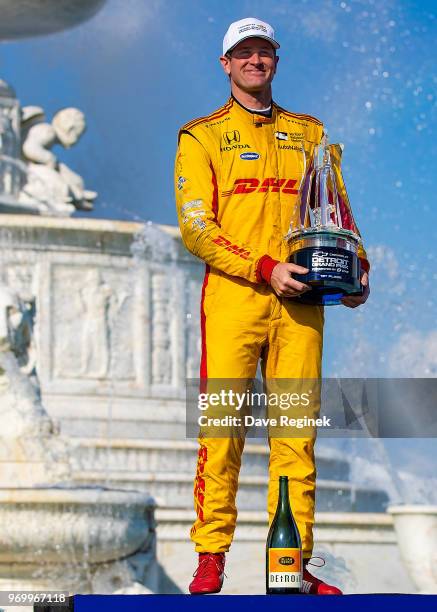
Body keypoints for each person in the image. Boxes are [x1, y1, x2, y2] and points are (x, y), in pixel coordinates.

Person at [174, 17, 370, 595]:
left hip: (302, 305)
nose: (254, 61)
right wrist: (264, 268)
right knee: (222, 428)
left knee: (296, 433)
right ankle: (211, 557)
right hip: (235, 299)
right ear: (226, 64)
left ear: (275, 62)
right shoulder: (201, 136)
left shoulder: (310, 132)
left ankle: (293, 566)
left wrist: (357, 269)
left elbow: (336, 209)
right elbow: (197, 230)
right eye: (244, 53)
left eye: (264, 53)